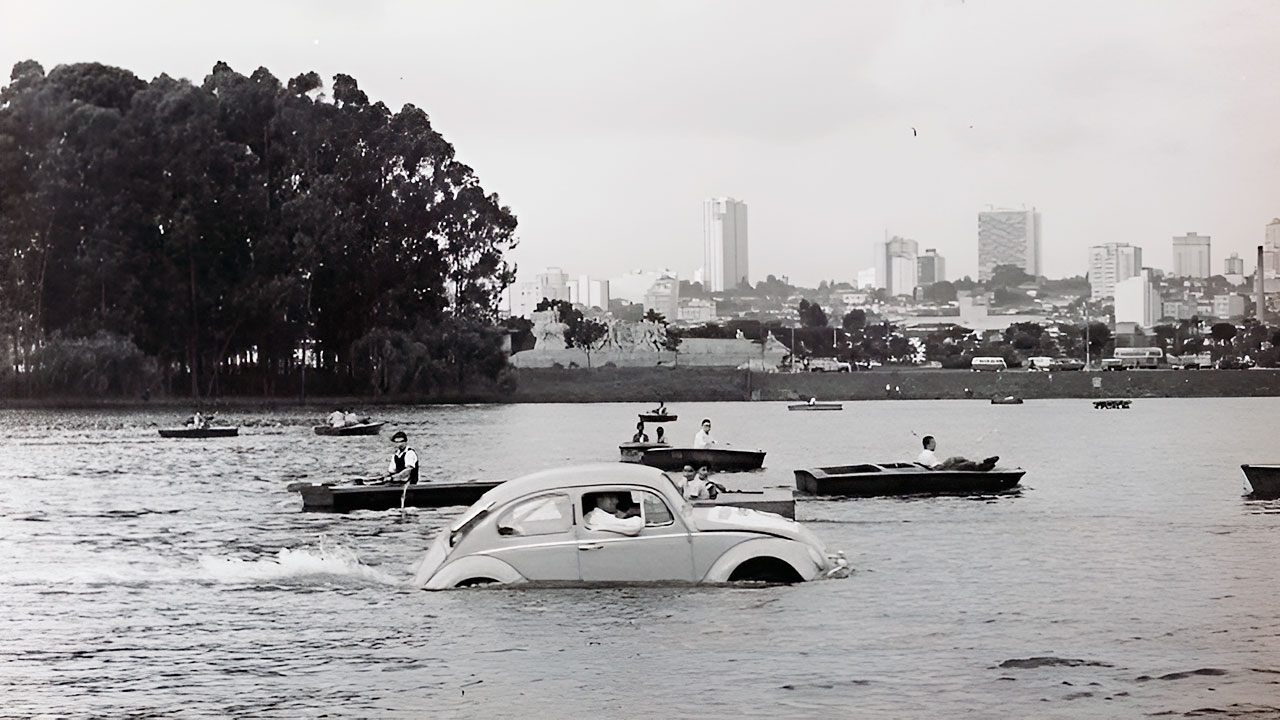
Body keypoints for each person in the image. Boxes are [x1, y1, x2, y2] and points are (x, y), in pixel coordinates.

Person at [916, 435, 998, 472]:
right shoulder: (927, 454)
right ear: (928, 444)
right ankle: (980, 465)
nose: (935, 445)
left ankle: (980, 464)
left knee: (958, 460)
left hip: (940, 468)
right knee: (958, 461)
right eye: (933, 443)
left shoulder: (924, 454)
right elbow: (933, 468)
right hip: (940, 469)